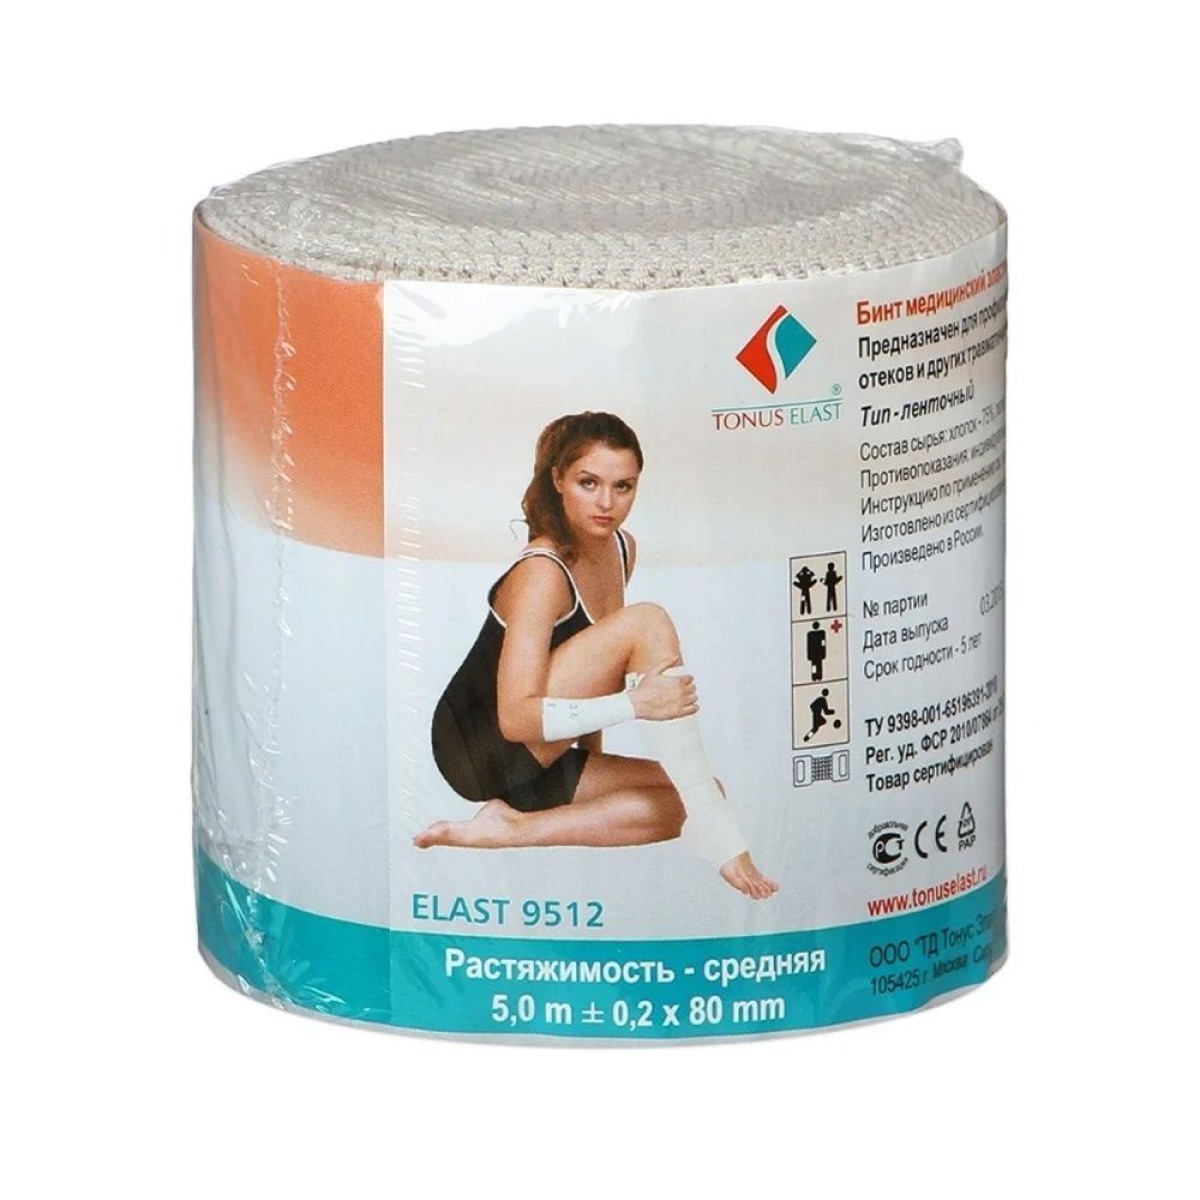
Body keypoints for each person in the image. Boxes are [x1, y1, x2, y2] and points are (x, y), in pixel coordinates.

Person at [416, 411, 778, 899]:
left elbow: (598, 670)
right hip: (477, 749)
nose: (607, 503)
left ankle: (514, 828)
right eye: (588, 483)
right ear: (558, 479)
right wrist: (635, 705)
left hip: (541, 754)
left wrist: (591, 768)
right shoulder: (542, 573)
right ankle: (723, 840)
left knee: (700, 794)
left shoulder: (622, 549)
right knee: (646, 622)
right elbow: (516, 719)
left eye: (623, 486)